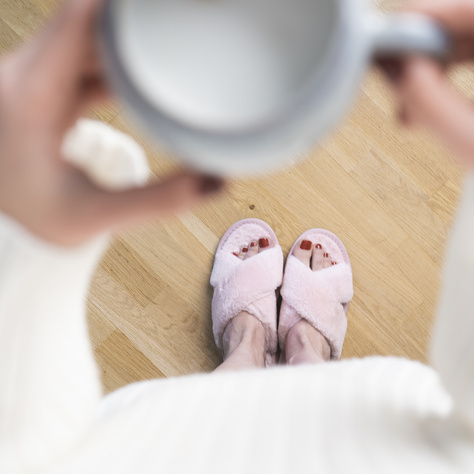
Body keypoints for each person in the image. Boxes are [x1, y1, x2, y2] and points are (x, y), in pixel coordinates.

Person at [1, 0, 474, 472]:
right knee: (316, 384)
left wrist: (32, 236)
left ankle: (247, 347)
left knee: (229, 390)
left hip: (174, 443)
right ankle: (307, 352)